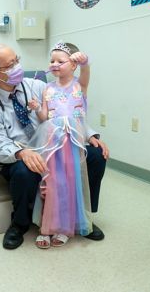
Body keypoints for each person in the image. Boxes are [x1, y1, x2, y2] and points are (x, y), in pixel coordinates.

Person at [0, 44, 109, 250]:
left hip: (54, 146)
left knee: (95, 155)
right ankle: (19, 224)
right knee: (24, 170)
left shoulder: (38, 86)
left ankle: (82, 216)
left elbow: (66, 110)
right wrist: (22, 152)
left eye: (17, 60)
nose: (18, 67)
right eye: (11, 65)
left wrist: (91, 134)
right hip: (21, 153)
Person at [27, 42, 97, 249]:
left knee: (69, 183)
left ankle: (64, 227)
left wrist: (85, 62)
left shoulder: (79, 85)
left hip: (71, 142)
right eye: (52, 61)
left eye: (61, 61)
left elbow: (86, 71)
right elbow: (43, 118)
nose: (55, 64)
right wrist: (37, 107)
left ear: (73, 65)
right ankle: (47, 227)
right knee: (51, 184)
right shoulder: (48, 88)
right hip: (51, 140)